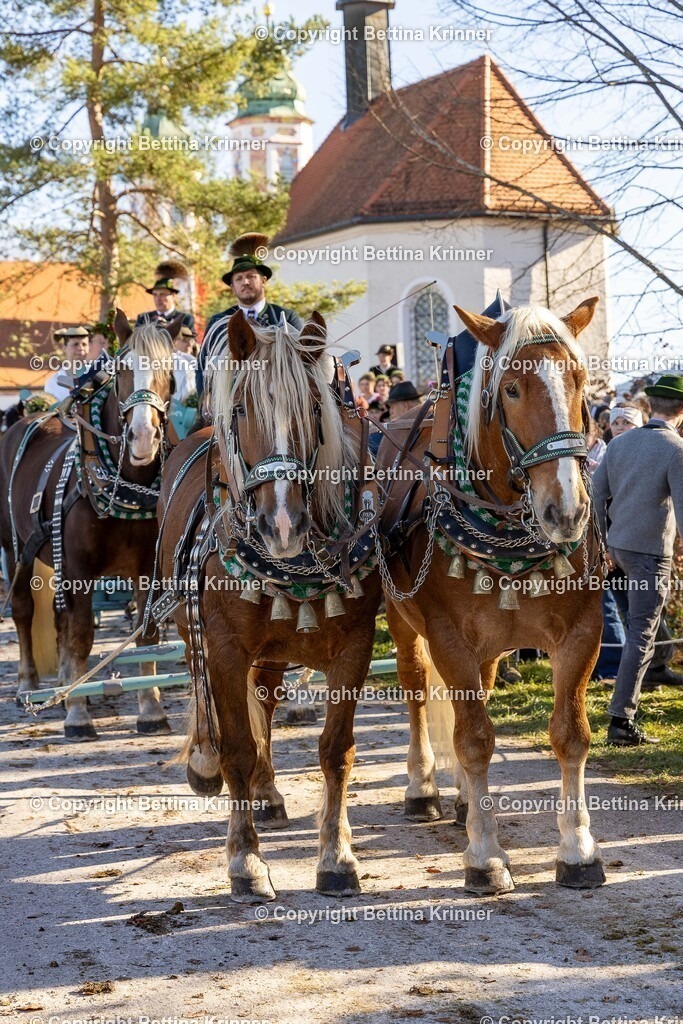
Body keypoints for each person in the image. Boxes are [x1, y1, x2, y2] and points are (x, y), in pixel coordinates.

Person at [592, 373, 683, 745]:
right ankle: (621, 721)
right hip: (649, 553)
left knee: (642, 621)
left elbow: (596, 497)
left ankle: (660, 667)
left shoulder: (618, 444)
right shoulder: (676, 449)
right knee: (640, 633)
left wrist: (603, 546)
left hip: (617, 547)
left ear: (649, 406)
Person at [196, 232, 303, 400]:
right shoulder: (218, 321)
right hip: (228, 402)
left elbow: (302, 361)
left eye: (251, 276)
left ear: (263, 280)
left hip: (278, 401)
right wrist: (205, 398)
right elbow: (203, 363)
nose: (245, 282)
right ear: (232, 287)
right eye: (238, 279)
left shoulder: (286, 318)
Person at [137, 262, 194, 331]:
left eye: (162, 294)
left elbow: (190, 341)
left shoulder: (185, 319)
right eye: (155, 295)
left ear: (173, 295)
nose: (158, 299)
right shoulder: (144, 318)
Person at [44, 327, 90, 402]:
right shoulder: (53, 382)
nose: (81, 348)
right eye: (75, 344)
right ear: (64, 348)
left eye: (84, 344)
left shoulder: (96, 375)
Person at [172, 325, 198, 405]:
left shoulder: (193, 362)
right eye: (184, 340)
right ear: (174, 341)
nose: (189, 344)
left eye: (191, 341)